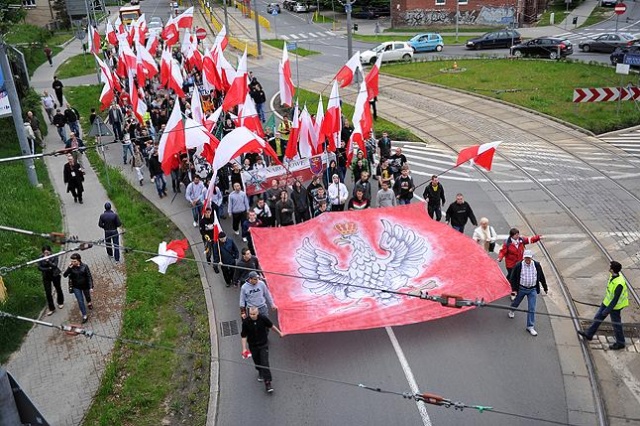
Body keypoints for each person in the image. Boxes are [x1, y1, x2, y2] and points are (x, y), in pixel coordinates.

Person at [578, 261, 628, 350]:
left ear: (612, 270)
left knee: (616, 324)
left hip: (615, 307)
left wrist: (607, 310)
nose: (609, 267)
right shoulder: (613, 276)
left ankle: (620, 342)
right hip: (606, 302)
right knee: (597, 318)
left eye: (610, 266)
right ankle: (589, 334)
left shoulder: (619, 283)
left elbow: (615, 300)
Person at [241, 306, 284, 393]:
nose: (252, 316)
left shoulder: (263, 319)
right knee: (257, 361)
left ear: (258, 313)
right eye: (251, 314)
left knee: (265, 363)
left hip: (263, 345)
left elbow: (271, 326)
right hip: (253, 346)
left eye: (254, 314)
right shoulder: (246, 322)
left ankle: (268, 382)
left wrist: (279, 332)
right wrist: (244, 348)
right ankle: (260, 371)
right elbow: (244, 336)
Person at [508, 250, 547, 336]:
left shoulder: (536, 265)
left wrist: (545, 287)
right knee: (516, 302)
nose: (528, 260)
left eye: (529, 258)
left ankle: (530, 326)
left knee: (532, 308)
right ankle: (512, 310)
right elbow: (512, 277)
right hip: (521, 288)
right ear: (524, 258)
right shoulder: (518, 265)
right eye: (526, 258)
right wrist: (514, 289)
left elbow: (541, 277)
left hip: (532, 290)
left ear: (531, 258)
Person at [498, 228, 542, 299]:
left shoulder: (521, 240)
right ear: (512, 236)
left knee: (514, 276)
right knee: (513, 277)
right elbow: (503, 251)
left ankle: (508, 282)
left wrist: (538, 237)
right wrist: (500, 257)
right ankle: (513, 292)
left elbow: (529, 240)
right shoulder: (507, 243)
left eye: (518, 234)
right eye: (516, 235)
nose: (518, 236)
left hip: (519, 263)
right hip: (511, 264)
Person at [63, 253, 94, 324]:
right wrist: (69, 268)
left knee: (87, 296)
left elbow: (89, 276)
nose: (73, 263)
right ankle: (84, 315)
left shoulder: (85, 266)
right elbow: (64, 275)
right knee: (80, 301)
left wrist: (91, 287)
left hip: (85, 285)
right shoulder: (71, 268)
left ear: (79, 260)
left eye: (74, 261)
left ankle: (89, 303)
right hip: (76, 287)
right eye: (72, 261)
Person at [37, 245, 64, 316]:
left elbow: (55, 266)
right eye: (44, 253)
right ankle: (51, 308)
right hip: (46, 276)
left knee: (58, 288)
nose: (46, 254)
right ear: (42, 252)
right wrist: (48, 269)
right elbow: (39, 268)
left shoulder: (54, 256)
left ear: (50, 251)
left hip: (55, 274)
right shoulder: (40, 258)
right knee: (48, 292)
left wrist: (48, 261)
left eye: (47, 252)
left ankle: (60, 302)